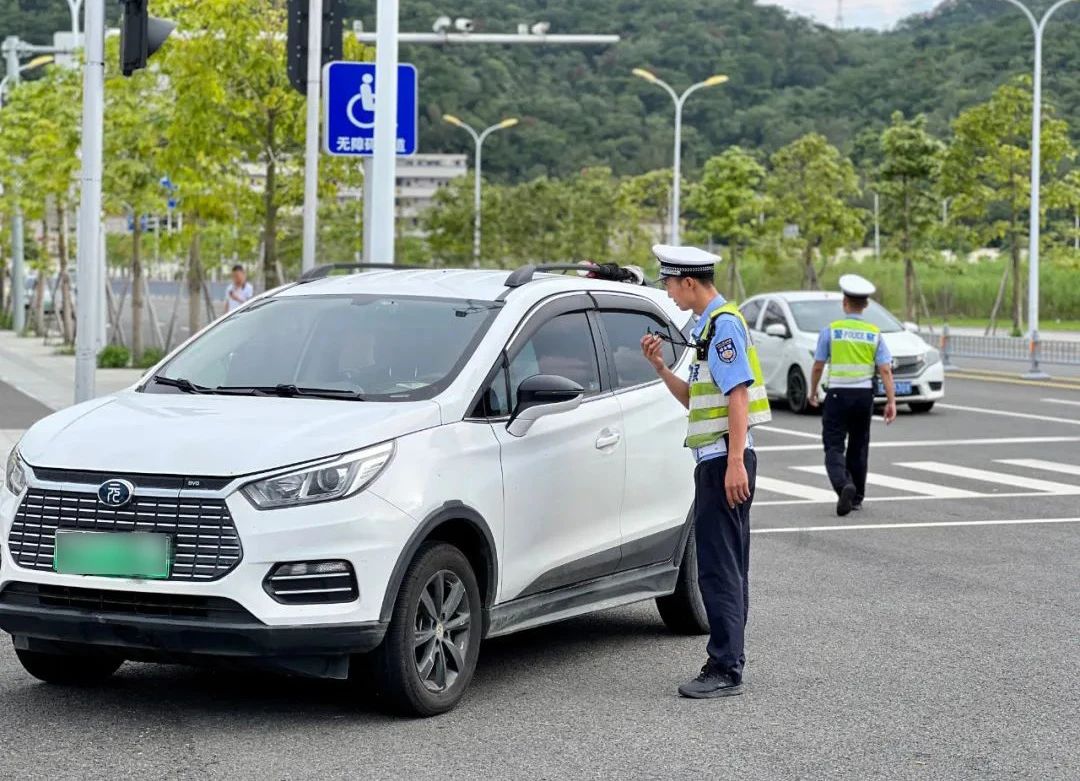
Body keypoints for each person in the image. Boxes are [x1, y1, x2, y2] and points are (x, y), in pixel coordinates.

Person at [640, 244, 772, 699]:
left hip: (724, 461)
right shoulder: (710, 328)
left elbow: (737, 395)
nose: (670, 294)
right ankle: (728, 660)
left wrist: (735, 461)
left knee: (719, 569)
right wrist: (659, 367)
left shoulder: (723, 326)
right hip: (717, 460)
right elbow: (698, 400)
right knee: (725, 565)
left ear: (689, 282)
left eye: (671, 284)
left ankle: (724, 668)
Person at [808, 274, 897, 516]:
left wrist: (813, 390)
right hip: (864, 396)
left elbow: (818, 365)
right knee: (859, 445)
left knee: (834, 445)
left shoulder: (832, 331)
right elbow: (886, 369)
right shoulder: (874, 333)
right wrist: (891, 401)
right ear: (865, 305)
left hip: (837, 395)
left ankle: (843, 484)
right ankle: (856, 496)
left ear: (844, 303)